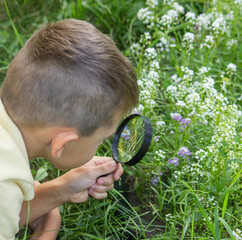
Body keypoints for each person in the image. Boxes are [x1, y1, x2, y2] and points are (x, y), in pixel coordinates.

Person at [0, 19, 139, 239]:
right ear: (63, 143)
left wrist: (61, 189)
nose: (101, 144)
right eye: (101, 139)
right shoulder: (4, 188)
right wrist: (49, 227)